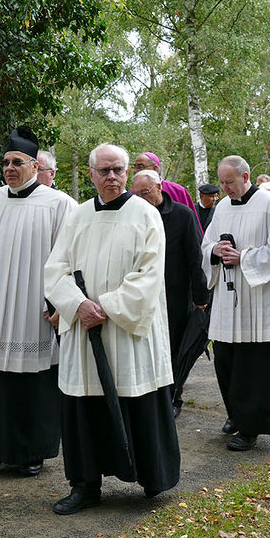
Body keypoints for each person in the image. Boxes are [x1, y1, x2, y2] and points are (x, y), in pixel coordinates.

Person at [44, 143, 179, 514]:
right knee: (84, 406)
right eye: (104, 171)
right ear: (91, 175)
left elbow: (150, 275)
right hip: (84, 331)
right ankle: (85, 485)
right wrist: (78, 305)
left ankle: (151, 477)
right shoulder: (78, 216)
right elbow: (55, 270)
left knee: (134, 398)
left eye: (119, 170)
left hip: (126, 332)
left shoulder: (146, 215)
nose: (112, 177)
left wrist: (106, 307)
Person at [0, 127, 74, 477]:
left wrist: (58, 305)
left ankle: (29, 451)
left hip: (31, 305)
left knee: (29, 382)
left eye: (17, 162)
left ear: (35, 167)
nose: (9, 168)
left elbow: (67, 260)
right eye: (5, 162)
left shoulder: (60, 205)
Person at [201, 156, 270, 451]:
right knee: (228, 361)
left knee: (255, 366)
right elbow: (205, 245)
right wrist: (215, 251)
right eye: (222, 182)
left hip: (262, 299)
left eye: (230, 182)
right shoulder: (221, 209)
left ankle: (251, 427)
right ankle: (236, 413)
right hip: (229, 300)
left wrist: (244, 257)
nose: (225, 188)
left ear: (245, 177)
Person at [131, 169, 207, 417]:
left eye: (146, 192)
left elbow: (196, 257)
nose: (141, 198)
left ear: (159, 188)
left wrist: (200, 297)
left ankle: (175, 396)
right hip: (142, 294)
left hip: (175, 293)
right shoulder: (132, 215)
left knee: (174, 347)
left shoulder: (182, 215)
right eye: (136, 194)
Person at [133, 151, 201, 225]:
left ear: (155, 169)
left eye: (140, 167)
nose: (135, 171)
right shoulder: (132, 193)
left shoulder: (178, 190)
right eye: (135, 166)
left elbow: (192, 222)